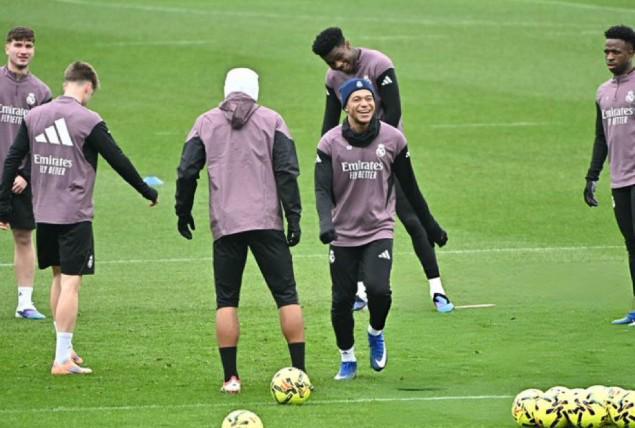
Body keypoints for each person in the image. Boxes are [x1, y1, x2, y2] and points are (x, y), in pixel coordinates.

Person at [0, 61, 158, 374]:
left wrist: (3, 205)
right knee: (72, 283)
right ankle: (61, 359)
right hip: (74, 215)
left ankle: (65, 349)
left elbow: (11, 160)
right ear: (87, 87)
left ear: (65, 83)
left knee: (58, 278)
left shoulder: (34, 116)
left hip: (44, 213)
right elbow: (118, 159)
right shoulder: (88, 120)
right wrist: (146, 191)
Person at [175, 68, 306, 394]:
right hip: (267, 221)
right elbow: (287, 170)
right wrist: (294, 216)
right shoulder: (273, 120)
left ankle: (231, 378)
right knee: (286, 296)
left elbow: (187, 171)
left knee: (226, 300)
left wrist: (183, 210)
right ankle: (299, 373)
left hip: (226, 223)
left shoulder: (205, 123)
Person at [312, 26, 453, 313]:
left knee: (411, 219)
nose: (338, 65)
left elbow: (394, 111)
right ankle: (361, 291)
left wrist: (375, 147)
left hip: (387, 155)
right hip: (352, 162)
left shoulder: (379, 64)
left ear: (347, 44)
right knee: (354, 220)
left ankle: (437, 289)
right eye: (331, 63)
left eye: (340, 58)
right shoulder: (333, 78)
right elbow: (329, 123)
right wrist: (329, 157)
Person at [315, 78, 447, 380]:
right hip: (342, 234)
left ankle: (376, 331)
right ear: (345, 106)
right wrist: (326, 223)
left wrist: (431, 227)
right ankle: (347, 357)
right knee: (341, 300)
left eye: (369, 99)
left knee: (378, 290)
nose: (364, 104)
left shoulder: (393, 139)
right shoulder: (329, 143)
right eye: (357, 99)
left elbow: (411, 188)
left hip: (378, 229)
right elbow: (321, 189)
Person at [584, 25, 635, 326]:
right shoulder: (603, 92)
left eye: (616, 51)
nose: (610, 57)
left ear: (631, 52)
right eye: (606, 52)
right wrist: (592, 176)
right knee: (632, 245)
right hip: (620, 180)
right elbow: (601, 137)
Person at [1, 27, 52, 320]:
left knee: (23, 236)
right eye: (18, 44)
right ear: (7, 47)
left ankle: (24, 304)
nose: (23, 50)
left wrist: (27, 174)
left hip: (20, 179)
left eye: (28, 45)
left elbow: (44, 140)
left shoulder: (41, 92)